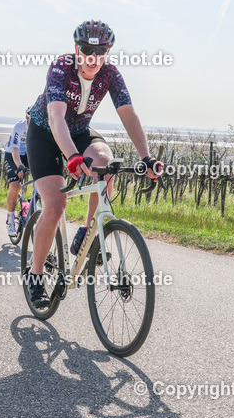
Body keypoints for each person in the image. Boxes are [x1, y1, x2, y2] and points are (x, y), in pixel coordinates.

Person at [24, 20, 162, 308]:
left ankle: (86, 233)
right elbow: (56, 118)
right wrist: (73, 157)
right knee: (55, 205)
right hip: (45, 133)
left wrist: (147, 158)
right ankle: (35, 277)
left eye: (100, 51)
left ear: (107, 52)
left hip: (78, 130)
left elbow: (128, 115)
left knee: (105, 163)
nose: (92, 57)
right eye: (87, 49)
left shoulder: (110, 74)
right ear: (77, 48)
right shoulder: (62, 67)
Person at [4, 111, 30, 235]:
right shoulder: (19, 127)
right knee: (15, 186)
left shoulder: (41, 126)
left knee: (42, 181)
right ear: (26, 117)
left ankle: (34, 207)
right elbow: (15, 150)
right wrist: (19, 166)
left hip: (28, 155)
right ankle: (10, 221)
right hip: (13, 154)